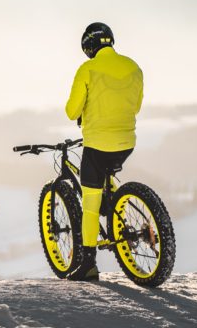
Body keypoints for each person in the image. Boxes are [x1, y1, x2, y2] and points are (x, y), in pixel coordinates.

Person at [64, 22, 144, 281]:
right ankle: (114, 209)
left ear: (88, 46)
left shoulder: (87, 69)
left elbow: (72, 111)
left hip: (97, 144)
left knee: (89, 202)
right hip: (126, 143)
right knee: (105, 180)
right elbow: (136, 106)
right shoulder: (134, 67)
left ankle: (87, 264)